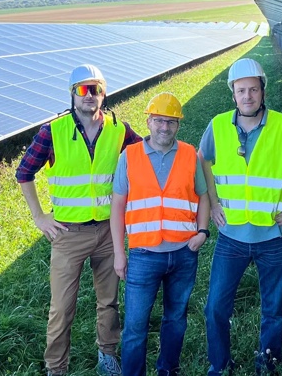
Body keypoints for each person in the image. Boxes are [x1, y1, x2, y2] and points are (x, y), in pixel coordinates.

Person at [201, 58, 282, 375]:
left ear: (263, 92)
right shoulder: (217, 126)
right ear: (233, 93)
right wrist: (214, 202)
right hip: (231, 236)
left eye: (254, 90)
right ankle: (219, 366)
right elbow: (201, 160)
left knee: (273, 309)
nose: (248, 96)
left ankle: (267, 365)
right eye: (241, 90)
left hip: (273, 237)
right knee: (215, 307)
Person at [17, 64, 142, 376]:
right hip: (68, 235)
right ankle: (56, 368)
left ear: (104, 93)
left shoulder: (119, 129)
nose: (91, 95)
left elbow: (148, 155)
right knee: (61, 308)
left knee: (109, 301)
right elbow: (24, 173)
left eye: (96, 89)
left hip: (107, 232)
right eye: (84, 89)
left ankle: (108, 355)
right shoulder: (53, 132)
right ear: (72, 93)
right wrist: (39, 217)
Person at [110, 93, 211, 376]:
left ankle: (168, 370)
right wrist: (120, 253)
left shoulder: (190, 154)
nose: (164, 127)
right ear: (148, 121)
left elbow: (203, 196)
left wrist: (202, 231)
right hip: (144, 255)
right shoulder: (129, 156)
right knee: (135, 327)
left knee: (176, 319)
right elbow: (117, 205)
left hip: (183, 254)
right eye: (158, 121)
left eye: (171, 122)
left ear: (178, 125)